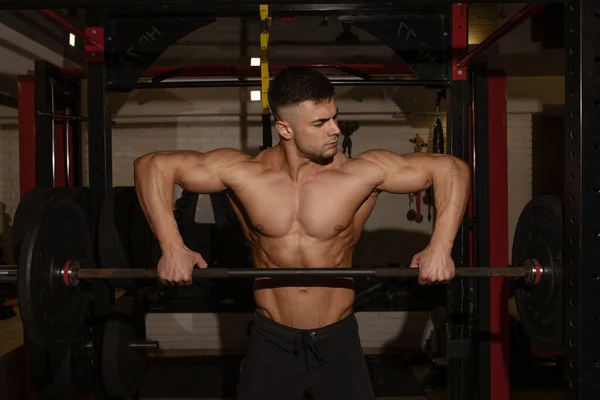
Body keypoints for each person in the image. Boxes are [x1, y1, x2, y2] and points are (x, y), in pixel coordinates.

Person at [133, 66, 470, 400]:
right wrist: (172, 246)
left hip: (338, 342)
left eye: (334, 117)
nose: (335, 129)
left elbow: (451, 169)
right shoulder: (245, 173)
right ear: (285, 128)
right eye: (320, 123)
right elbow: (152, 165)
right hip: (270, 341)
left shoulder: (359, 173)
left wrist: (440, 246)